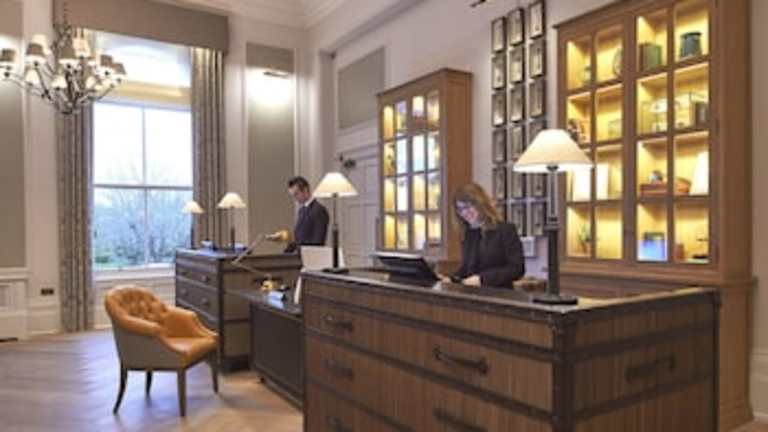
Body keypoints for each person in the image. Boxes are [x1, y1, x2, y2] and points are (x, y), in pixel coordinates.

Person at [449, 182, 525, 288]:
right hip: (472, 294)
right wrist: (452, 278)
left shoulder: (505, 230)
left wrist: (482, 279)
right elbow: (467, 268)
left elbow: (517, 269)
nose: (465, 213)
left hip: (499, 293)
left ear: (480, 204)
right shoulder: (468, 233)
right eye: (460, 209)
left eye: (468, 207)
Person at [281, 176, 330, 253]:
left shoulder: (319, 210)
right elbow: (299, 239)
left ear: (305, 190)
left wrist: (300, 248)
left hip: (312, 256)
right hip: (301, 255)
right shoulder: (301, 211)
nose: (295, 199)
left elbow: (318, 241)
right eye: (293, 196)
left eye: (296, 194)